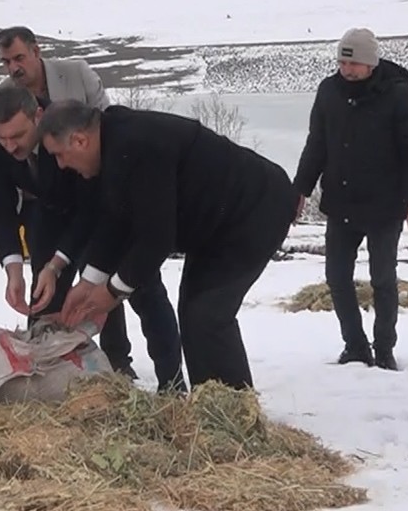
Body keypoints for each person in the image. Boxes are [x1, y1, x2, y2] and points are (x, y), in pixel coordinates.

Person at [46, 100, 295, 390]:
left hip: (254, 210)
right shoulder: (114, 142)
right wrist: (90, 283)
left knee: (207, 316)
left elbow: (155, 238)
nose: (61, 165)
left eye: (60, 155)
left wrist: (113, 291)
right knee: (194, 316)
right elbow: (117, 220)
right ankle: (211, 407)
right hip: (214, 226)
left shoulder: (137, 145)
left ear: (80, 140)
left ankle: (234, 415)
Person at [0, 82, 186, 391]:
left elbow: (91, 208)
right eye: (2, 138)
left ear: (38, 115)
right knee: (47, 300)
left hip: (105, 212)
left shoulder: (65, 127)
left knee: (141, 289)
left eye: (18, 136)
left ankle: (172, 383)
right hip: (49, 217)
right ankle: (50, 383)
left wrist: (68, 266)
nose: (10, 147)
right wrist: (14, 266)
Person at [292, 28, 408, 371]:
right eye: (342, 61)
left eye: (354, 63)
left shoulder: (398, 94)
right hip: (341, 201)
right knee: (337, 277)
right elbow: (317, 145)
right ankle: (354, 346)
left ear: (371, 63)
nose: (347, 69)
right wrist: (300, 190)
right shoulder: (328, 92)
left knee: (383, 278)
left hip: (385, 204)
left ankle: (384, 348)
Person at [0, 25, 111, 107]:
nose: (13, 68)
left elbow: (106, 122)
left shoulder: (78, 74)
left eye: (19, 58)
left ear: (35, 51)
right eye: (6, 62)